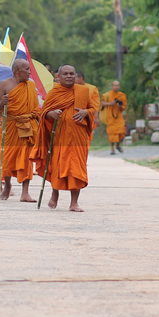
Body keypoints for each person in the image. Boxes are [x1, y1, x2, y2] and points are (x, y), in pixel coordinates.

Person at [39, 65, 96, 211]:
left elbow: (92, 109)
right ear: (59, 76)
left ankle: (74, 203)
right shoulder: (54, 93)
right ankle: (54, 193)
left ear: (76, 76)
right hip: (59, 137)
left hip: (78, 137)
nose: (69, 76)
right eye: (65, 74)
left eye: (72, 74)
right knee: (58, 166)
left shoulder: (83, 91)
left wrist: (85, 112)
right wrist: (50, 114)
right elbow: (44, 112)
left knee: (76, 169)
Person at [0, 59, 41, 202]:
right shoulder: (5, 85)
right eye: (27, 69)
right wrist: (2, 103)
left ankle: (25, 192)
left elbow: (35, 108)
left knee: (27, 159)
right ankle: (7, 185)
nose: (29, 72)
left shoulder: (31, 85)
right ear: (17, 71)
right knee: (8, 158)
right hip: (11, 126)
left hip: (27, 125)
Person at [102, 80, 129, 154]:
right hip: (110, 116)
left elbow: (124, 106)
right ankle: (112, 149)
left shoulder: (122, 95)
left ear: (119, 86)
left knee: (122, 132)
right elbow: (102, 103)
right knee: (112, 133)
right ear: (112, 86)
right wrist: (110, 103)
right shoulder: (107, 95)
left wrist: (120, 105)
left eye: (117, 85)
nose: (116, 87)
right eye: (114, 85)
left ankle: (118, 145)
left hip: (119, 117)